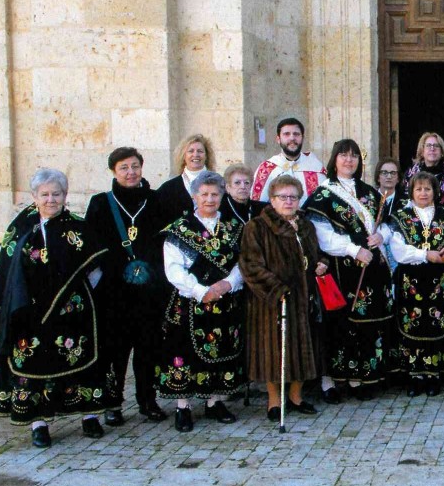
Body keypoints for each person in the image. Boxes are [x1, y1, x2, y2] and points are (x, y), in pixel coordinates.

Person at [0, 168, 119, 447]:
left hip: (73, 313)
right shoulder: (20, 228)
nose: (51, 199)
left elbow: (95, 271)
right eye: (44, 194)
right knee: (32, 363)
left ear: (65, 196)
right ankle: (39, 423)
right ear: (34, 197)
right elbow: (6, 272)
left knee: (80, 361)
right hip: (30, 313)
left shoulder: (78, 228)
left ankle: (89, 417)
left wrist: (76, 298)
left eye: (56, 194)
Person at [155, 172, 247, 432]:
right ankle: (183, 407)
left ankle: (214, 401)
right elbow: (173, 269)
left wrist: (228, 283)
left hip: (225, 300)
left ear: (222, 196)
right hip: (189, 303)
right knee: (184, 353)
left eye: (215, 194)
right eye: (204, 194)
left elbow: (242, 264)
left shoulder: (233, 228)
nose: (209, 199)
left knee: (221, 351)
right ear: (194, 196)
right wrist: (199, 290)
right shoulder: (179, 229)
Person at [84, 146, 168, 424]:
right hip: (115, 290)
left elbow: (164, 243)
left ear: (142, 167)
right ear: (113, 171)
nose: (130, 173)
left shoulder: (156, 201)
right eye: (124, 168)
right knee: (115, 349)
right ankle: (113, 402)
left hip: (149, 289)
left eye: (134, 166)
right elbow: (91, 246)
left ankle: (147, 400)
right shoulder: (100, 203)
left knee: (148, 347)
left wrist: (154, 273)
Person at [306, 139, 394, 401]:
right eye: (343, 155)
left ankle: (362, 377)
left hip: (372, 269)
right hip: (342, 269)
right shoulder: (322, 195)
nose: (349, 160)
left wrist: (382, 237)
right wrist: (353, 250)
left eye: (354, 156)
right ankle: (331, 380)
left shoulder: (370, 193)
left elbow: (387, 224)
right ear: (334, 159)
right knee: (340, 324)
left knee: (369, 324)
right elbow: (322, 234)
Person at [239, 175, 326, 421]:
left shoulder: (306, 225)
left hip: (304, 296)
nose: (288, 201)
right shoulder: (257, 227)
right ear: (272, 200)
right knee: (274, 350)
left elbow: (316, 254)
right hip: (271, 300)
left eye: (293, 197)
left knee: (303, 347)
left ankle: (296, 396)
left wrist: (321, 263)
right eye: (282, 197)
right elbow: (251, 266)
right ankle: (274, 400)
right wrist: (277, 289)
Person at [387, 171, 444, 396]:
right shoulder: (400, 217)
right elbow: (398, 250)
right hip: (410, 282)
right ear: (411, 192)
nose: (423, 193)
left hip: (439, 282)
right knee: (412, 325)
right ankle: (415, 376)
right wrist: (425, 255)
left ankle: (434, 375)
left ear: (435, 191)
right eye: (418, 189)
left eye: (427, 189)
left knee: (436, 324)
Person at [250, 117, 327, 206]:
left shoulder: (315, 166)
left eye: (296, 134)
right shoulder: (266, 169)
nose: (292, 138)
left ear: (302, 138)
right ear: (278, 139)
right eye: (286, 134)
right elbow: (256, 205)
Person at [156, 133, 216, 227]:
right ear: (183, 156)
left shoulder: (220, 184)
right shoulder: (168, 189)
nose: (195, 155)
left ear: (206, 156)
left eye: (200, 151)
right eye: (190, 151)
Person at [403, 132, 444, 209]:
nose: (432, 148)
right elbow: (404, 199)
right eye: (428, 145)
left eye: (436, 146)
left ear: (442, 152)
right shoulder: (411, 174)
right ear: (422, 151)